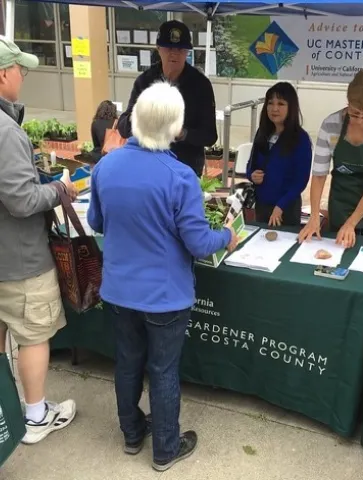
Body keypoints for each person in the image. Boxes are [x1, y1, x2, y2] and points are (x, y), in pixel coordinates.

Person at [87, 81, 238, 472]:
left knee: (127, 363)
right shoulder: (180, 176)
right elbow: (199, 243)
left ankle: (133, 435)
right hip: (166, 297)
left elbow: (96, 221)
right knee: (163, 370)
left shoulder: (106, 166)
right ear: (175, 126)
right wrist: (228, 235)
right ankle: (166, 448)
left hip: (119, 291)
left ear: (134, 120)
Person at [0, 37, 77, 444]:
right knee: (33, 336)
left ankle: (5, 412)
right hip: (19, 259)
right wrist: (59, 189)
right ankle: (35, 416)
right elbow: (21, 199)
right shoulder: (6, 131)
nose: (22, 77)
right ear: (3, 73)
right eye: (20, 70)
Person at [299, 68, 363, 247]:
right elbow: (319, 175)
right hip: (341, 203)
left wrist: (351, 223)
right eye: (354, 113)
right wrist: (314, 217)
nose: (360, 120)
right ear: (348, 101)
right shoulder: (331, 125)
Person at [118, 20, 217, 177]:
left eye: (180, 49)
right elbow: (123, 128)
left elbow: (210, 136)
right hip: (148, 164)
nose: (174, 53)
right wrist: (142, 118)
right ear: (158, 49)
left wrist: (183, 133)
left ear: (187, 52)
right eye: (169, 48)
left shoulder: (201, 85)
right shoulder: (145, 81)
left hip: (185, 168)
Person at [246, 82, 312, 227]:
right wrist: (252, 175)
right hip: (262, 204)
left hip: (286, 209)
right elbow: (251, 165)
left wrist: (281, 206)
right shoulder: (262, 133)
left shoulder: (301, 139)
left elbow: (301, 180)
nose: (274, 108)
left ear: (291, 107)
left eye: (281, 104)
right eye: (270, 103)